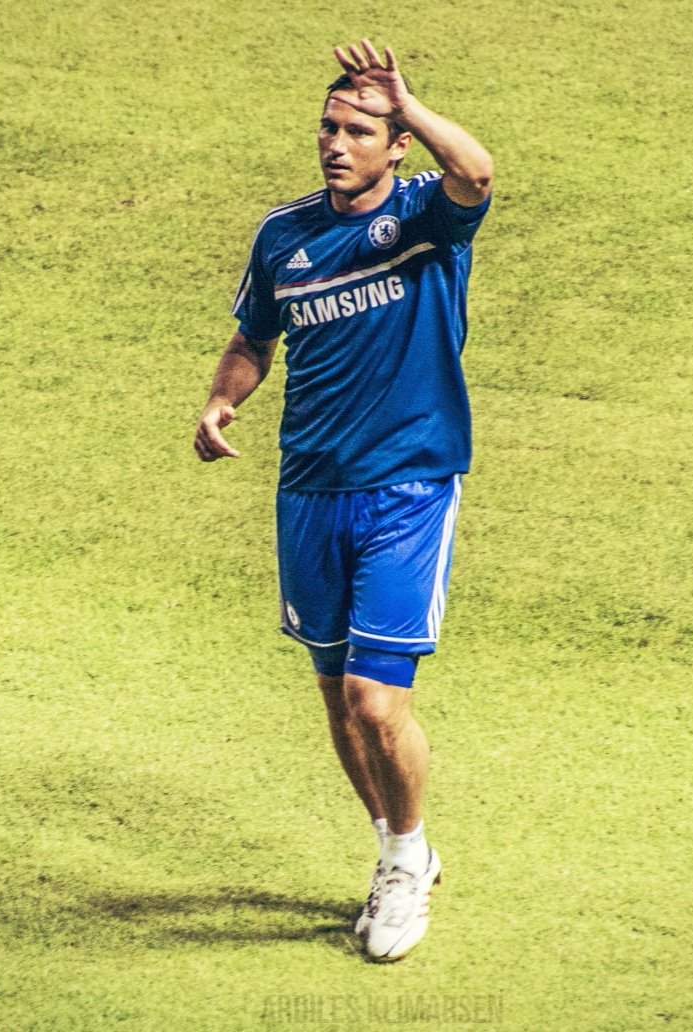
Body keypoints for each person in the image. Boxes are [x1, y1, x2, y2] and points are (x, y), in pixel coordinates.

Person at [193, 39, 493, 962]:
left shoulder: (424, 220)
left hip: (407, 486)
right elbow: (254, 334)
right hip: (309, 490)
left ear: (395, 142)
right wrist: (221, 396)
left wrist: (414, 106)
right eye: (328, 126)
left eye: (359, 129)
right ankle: (398, 847)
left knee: (374, 700)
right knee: (334, 696)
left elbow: (476, 173)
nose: (336, 142)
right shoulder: (283, 234)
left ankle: (405, 868)